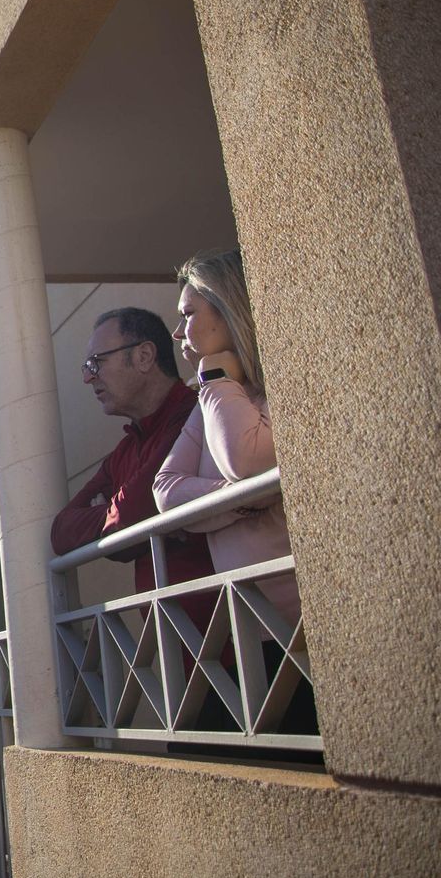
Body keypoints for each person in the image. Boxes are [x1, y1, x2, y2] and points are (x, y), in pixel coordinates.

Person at [154, 248, 297, 622]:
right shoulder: (208, 399)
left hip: (307, 615)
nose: (177, 331)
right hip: (253, 626)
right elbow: (166, 492)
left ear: (227, 308)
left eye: (187, 314)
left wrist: (216, 374)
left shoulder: (281, 383)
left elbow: (245, 463)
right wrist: (243, 500)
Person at [50, 307, 216, 600]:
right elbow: (61, 532)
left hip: (240, 636)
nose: (88, 378)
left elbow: (129, 517)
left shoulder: (195, 415)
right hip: (170, 637)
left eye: (96, 362)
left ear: (144, 357)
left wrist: (118, 518)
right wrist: (116, 517)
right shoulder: (124, 451)